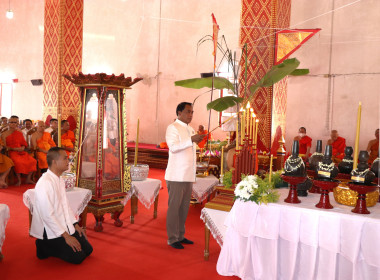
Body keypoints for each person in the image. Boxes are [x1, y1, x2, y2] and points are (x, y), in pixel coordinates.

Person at [30, 147, 93, 264]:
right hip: (48, 228)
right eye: (65, 158)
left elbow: (65, 206)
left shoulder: (59, 180)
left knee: (88, 250)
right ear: (54, 162)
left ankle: (55, 243)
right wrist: (66, 236)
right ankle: (44, 244)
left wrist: (75, 225)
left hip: (62, 223)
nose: (68, 161)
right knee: (78, 257)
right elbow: (47, 215)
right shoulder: (45, 183)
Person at [165, 102, 204, 249]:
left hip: (188, 175)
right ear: (179, 113)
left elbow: (190, 150)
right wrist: (191, 140)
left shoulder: (191, 129)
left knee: (184, 208)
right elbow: (174, 148)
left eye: (192, 112)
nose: (190, 115)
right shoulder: (172, 128)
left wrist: (197, 139)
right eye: (188, 112)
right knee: (174, 207)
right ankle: (172, 238)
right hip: (176, 175)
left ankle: (180, 235)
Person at [2, 116, 37, 185]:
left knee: (33, 161)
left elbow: (24, 143)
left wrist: (23, 147)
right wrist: (14, 149)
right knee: (18, 162)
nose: (14, 124)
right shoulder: (4, 134)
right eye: (12, 122)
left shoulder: (19, 133)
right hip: (12, 152)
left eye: (15, 122)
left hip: (21, 152)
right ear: (8, 123)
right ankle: (19, 180)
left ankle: (28, 179)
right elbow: (4, 147)